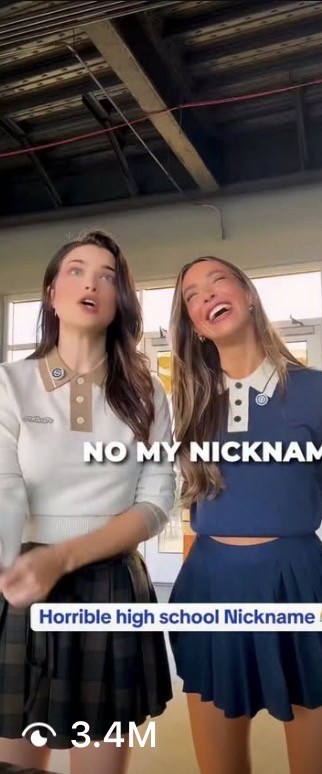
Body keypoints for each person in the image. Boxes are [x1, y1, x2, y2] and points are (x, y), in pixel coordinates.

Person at [168, 256, 322, 774]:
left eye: (218, 281)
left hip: (300, 583)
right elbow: (195, 501)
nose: (206, 295)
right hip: (210, 587)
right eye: (192, 295)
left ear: (248, 295)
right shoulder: (188, 401)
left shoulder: (315, 388)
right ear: (194, 324)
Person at [0, 231, 175, 774]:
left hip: (112, 587)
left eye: (107, 276)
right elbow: (4, 488)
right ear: (52, 294)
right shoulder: (10, 382)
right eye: (76, 271)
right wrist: (14, 567)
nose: (91, 284)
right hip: (21, 582)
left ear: (120, 300)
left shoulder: (148, 392)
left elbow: (156, 501)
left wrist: (64, 557)